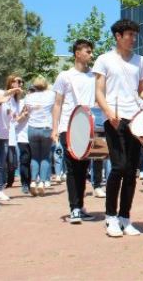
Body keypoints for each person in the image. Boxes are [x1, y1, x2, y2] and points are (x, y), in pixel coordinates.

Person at [93, 19, 143, 237]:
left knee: (131, 171)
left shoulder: (140, 61)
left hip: (135, 120)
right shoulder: (104, 60)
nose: (133, 39)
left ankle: (125, 217)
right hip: (114, 119)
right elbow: (99, 92)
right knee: (119, 167)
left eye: (135, 35)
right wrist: (108, 113)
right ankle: (110, 217)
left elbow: (141, 91)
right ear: (118, 36)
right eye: (129, 35)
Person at [52, 38, 98, 224]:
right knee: (72, 168)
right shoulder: (65, 76)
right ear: (77, 53)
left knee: (84, 168)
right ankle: (74, 208)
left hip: (89, 127)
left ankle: (80, 205)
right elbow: (57, 103)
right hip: (68, 127)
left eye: (91, 51)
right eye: (87, 51)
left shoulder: (94, 76)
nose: (91, 54)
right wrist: (54, 128)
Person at [0, 76, 21, 202]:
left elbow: (13, 117)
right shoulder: (2, 92)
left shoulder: (16, 101)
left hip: (5, 135)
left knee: (2, 165)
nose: (19, 84)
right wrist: (12, 92)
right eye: (16, 81)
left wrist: (18, 116)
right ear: (10, 83)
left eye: (20, 82)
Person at [25, 76, 56, 196]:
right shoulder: (50, 95)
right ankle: (42, 182)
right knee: (45, 156)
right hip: (46, 128)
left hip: (32, 128)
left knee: (34, 157)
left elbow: (27, 111)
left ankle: (33, 181)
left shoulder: (28, 97)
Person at [13, 88, 31, 194]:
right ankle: (25, 183)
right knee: (24, 161)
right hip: (22, 137)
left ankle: (32, 182)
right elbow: (14, 122)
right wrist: (23, 115)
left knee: (33, 161)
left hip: (34, 136)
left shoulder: (38, 105)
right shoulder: (19, 104)